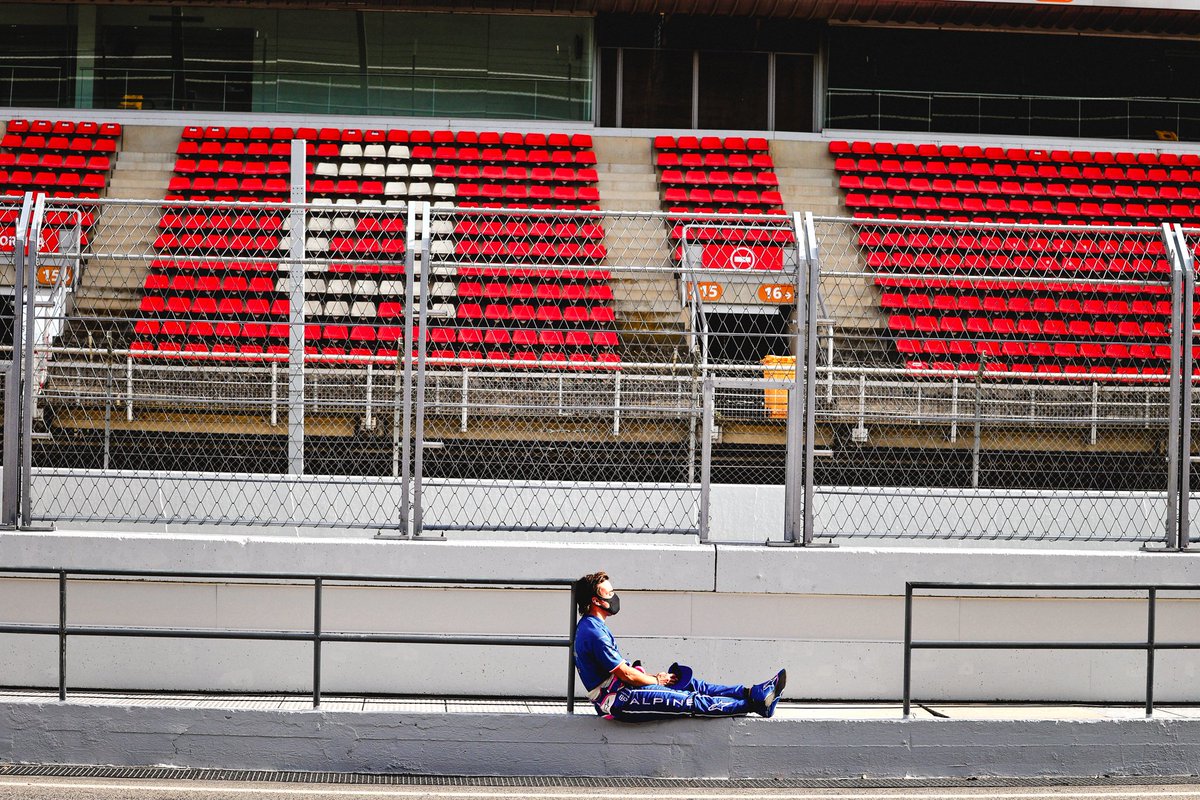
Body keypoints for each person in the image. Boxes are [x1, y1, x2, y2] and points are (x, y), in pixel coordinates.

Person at [572, 570, 786, 722]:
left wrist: (657, 679)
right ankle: (757, 704)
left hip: (624, 688)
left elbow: (624, 675)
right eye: (609, 593)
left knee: (691, 685)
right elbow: (626, 675)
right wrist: (656, 680)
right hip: (618, 700)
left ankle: (753, 692)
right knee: (689, 701)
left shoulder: (592, 627)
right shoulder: (593, 632)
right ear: (596, 601)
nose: (614, 596)